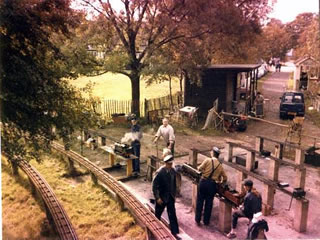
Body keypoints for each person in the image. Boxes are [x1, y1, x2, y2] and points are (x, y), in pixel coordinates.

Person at [195, 147, 228, 226]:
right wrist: (220, 182)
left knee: (200, 201)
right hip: (212, 185)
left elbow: (199, 168)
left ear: (212, 153)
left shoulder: (207, 160)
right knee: (209, 203)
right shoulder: (220, 166)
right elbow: (225, 178)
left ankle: (198, 219)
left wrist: (204, 172)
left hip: (203, 182)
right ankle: (206, 221)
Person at [152, 154, 179, 237]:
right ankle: (154, 232)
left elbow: (174, 183)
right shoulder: (160, 172)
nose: (170, 166)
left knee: (172, 215)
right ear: (166, 163)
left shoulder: (173, 171)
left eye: (171, 164)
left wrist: (174, 195)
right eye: (169, 164)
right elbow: (154, 186)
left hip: (170, 197)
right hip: (162, 198)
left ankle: (174, 234)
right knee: (157, 215)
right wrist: (157, 197)